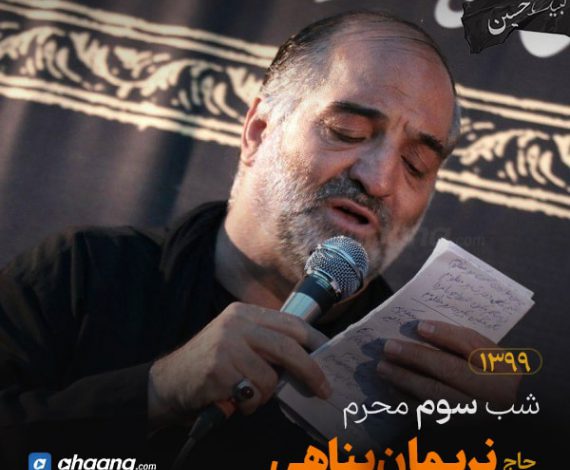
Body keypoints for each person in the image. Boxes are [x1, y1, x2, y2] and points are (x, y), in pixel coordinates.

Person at [0, 10, 520, 469]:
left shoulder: (422, 386)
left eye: (416, 163)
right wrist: (155, 392)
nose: (380, 179)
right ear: (258, 131)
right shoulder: (80, 273)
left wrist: (480, 446)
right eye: (347, 131)